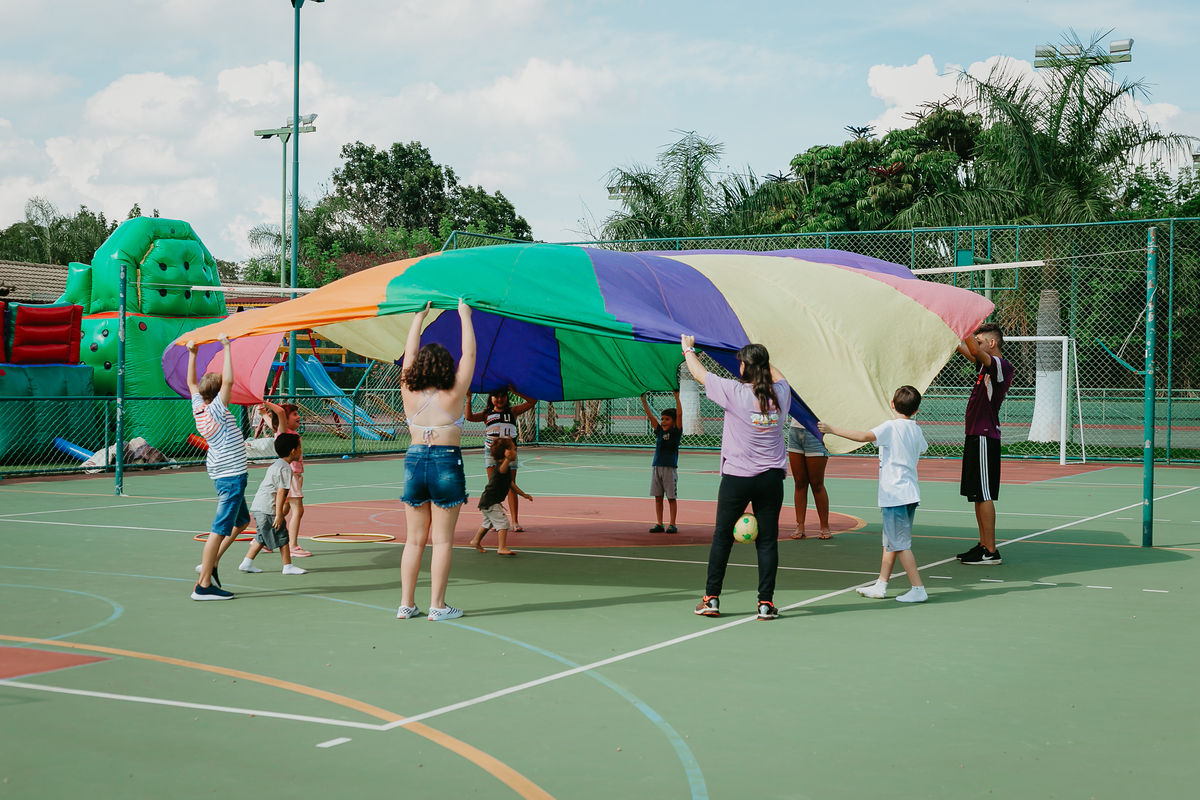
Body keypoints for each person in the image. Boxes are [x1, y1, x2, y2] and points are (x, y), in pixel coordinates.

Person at [685, 337, 790, 621]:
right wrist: (764, 361)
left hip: (737, 477)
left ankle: (711, 599)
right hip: (770, 479)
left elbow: (697, 372)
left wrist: (688, 349)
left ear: (744, 368)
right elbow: (780, 377)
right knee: (767, 541)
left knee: (722, 537)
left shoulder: (734, 391)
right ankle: (765, 604)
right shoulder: (781, 393)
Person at [398, 299, 476, 621]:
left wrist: (419, 317)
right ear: (447, 367)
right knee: (442, 540)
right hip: (446, 461)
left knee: (414, 540)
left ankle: (406, 604)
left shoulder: (407, 389)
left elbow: (409, 355)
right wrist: (464, 316)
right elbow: (469, 355)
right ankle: (437, 606)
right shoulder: (455, 392)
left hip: (415, 460)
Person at [818, 386, 929, 603]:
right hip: (909, 493)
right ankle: (881, 585)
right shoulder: (916, 429)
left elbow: (863, 436)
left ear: (891, 404)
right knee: (891, 542)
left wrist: (832, 429)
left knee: (900, 544)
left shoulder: (890, 427)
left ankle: (918, 588)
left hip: (895, 495)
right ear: (916, 411)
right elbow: (922, 448)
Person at [187, 334, 248, 601]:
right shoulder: (217, 411)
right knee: (219, 528)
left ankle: (210, 563)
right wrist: (226, 348)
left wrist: (193, 353)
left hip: (227, 475)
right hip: (231, 477)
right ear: (219, 393)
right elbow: (230, 381)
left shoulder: (199, 407)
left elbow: (190, 382)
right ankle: (203, 585)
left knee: (242, 521)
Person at [956, 323, 1014, 566]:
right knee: (977, 495)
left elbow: (974, 351)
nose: (975, 345)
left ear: (991, 344)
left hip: (984, 435)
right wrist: (951, 330)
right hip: (976, 436)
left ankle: (991, 550)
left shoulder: (1001, 365)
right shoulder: (984, 364)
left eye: (980, 341)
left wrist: (963, 321)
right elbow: (967, 349)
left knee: (985, 493)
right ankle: (983, 544)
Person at [466, 388, 536, 531]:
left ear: (506, 397)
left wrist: (516, 392)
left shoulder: (513, 411)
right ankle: (494, 520)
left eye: (502, 396)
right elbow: (469, 417)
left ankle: (515, 521)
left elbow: (532, 401)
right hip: (491, 453)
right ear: (490, 398)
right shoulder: (487, 415)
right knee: (494, 485)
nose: (499, 399)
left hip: (509, 453)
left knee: (510, 484)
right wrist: (468, 398)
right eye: (495, 396)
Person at [239, 432, 306, 575]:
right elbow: (281, 492)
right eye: (300, 447)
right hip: (268, 508)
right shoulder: (286, 468)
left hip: (259, 506)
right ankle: (287, 566)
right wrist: (279, 514)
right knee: (282, 535)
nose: (301, 451)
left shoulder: (277, 464)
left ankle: (246, 563)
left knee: (261, 537)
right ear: (293, 451)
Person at [260, 400, 309, 559]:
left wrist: (263, 414)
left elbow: (271, 421)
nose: (298, 416)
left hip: (292, 475)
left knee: (285, 510)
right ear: (285, 420)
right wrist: (265, 403)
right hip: (291, 474)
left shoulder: (280, 432)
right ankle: (293, 546)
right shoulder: (284, 432)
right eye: (294, 414)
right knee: (298, 510)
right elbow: (279, 413)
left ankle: (266, 542)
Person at [469, 438, 532, 556]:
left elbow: (511, 484)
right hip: (491, 501)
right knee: (503, 523)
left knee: (488, 523)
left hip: (487, 501)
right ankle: (501, 547)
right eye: (513, 449)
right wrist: (507, 460)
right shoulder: (501, 467)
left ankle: (475, 541)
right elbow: (502, 470)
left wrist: (523, 494)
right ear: (506, 452)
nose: (515, 451)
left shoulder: (505, 468)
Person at [640, 391, 682, 533]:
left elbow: (680, 415)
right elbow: (650, 416)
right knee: (658, 497)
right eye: (662, 419)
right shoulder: (659, 431)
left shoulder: (676, 433)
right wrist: (643, 400)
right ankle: (659, 523)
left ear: (674, 422)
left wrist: (677, 397)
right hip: (656, 467)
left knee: (671, 497)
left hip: (669, 468)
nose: (663, 421)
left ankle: (672, 524)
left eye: (667, 419)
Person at [787, 417, 832, 540]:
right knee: (799, 483)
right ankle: (800, 526)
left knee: (817, 484)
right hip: (795, 431)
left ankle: (824, 527)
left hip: (816, 430)